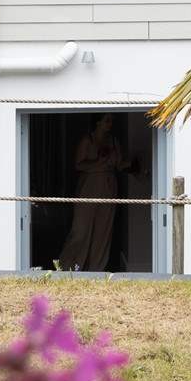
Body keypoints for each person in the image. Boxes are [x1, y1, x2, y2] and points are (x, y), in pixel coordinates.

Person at [58, 114, 126, 271]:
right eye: (107, 120)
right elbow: (78, 165)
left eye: (111, 121)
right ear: (98, 122)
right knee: (81, 229)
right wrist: (99, 164)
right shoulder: (87, 140)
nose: (110, 124)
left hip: (109, 187)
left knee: (103, 231)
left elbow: (119, 164)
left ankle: (96, 269)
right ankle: (68, 266)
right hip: (89, 186)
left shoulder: (114, 141)